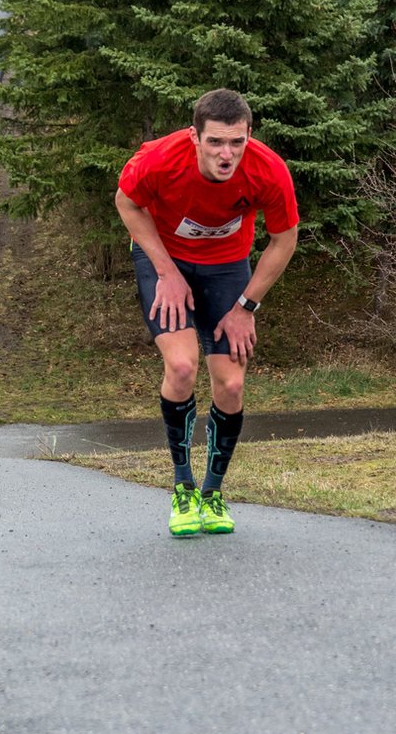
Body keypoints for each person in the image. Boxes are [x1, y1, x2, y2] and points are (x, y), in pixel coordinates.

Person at [115, 89, 299, 537]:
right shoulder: (161, 159)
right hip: (163, 259)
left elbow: (284, 239)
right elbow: (127, 203)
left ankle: (213, 494)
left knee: (232, 383)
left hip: (227, 267)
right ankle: (183, 488)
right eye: (215, 142)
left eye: (237, 142)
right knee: (181, 367)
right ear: (194, 136)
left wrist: (246, 308)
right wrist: (166, 271)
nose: (227, 153)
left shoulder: (269, 170)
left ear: (249, 135)